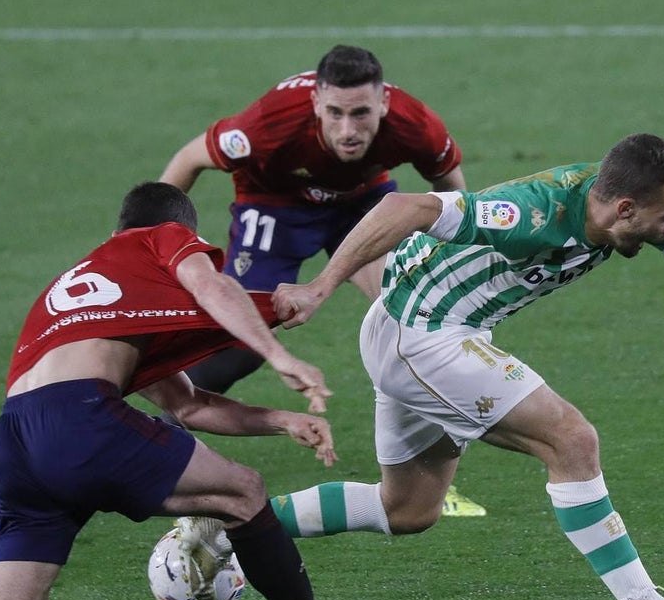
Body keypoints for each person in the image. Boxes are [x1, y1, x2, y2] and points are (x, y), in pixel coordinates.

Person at [0, 182, 408, 600]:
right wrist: (278, 355)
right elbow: (214, 287)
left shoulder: (79, 290)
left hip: (15, 440)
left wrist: (280, 420)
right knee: (243, 493)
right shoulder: (162, 237)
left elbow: (187, 404)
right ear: (176, 230)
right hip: (79, 420)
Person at [264, 133, 664, 600]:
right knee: (571, 441)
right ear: (626, 208)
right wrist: (320, 287)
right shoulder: (529, 213)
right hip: (425, 336)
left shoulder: (619, 200)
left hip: (417, 330)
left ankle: (236, 523)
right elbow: (404, 208)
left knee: (407, 508)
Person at [160, 44, 485, 518]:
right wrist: (148, 242)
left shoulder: (416, 125)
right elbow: (189, 160)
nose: (348, 130)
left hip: (362, 204)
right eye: (334, 113)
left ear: (384, 104)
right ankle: (156, 427)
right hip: (273, 203)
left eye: (361, 114)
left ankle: (424, 484)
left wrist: (444, 272)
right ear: (316, 103)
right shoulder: (268, 124)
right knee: (240, 342)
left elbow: (453, 194)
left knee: (415, 322)